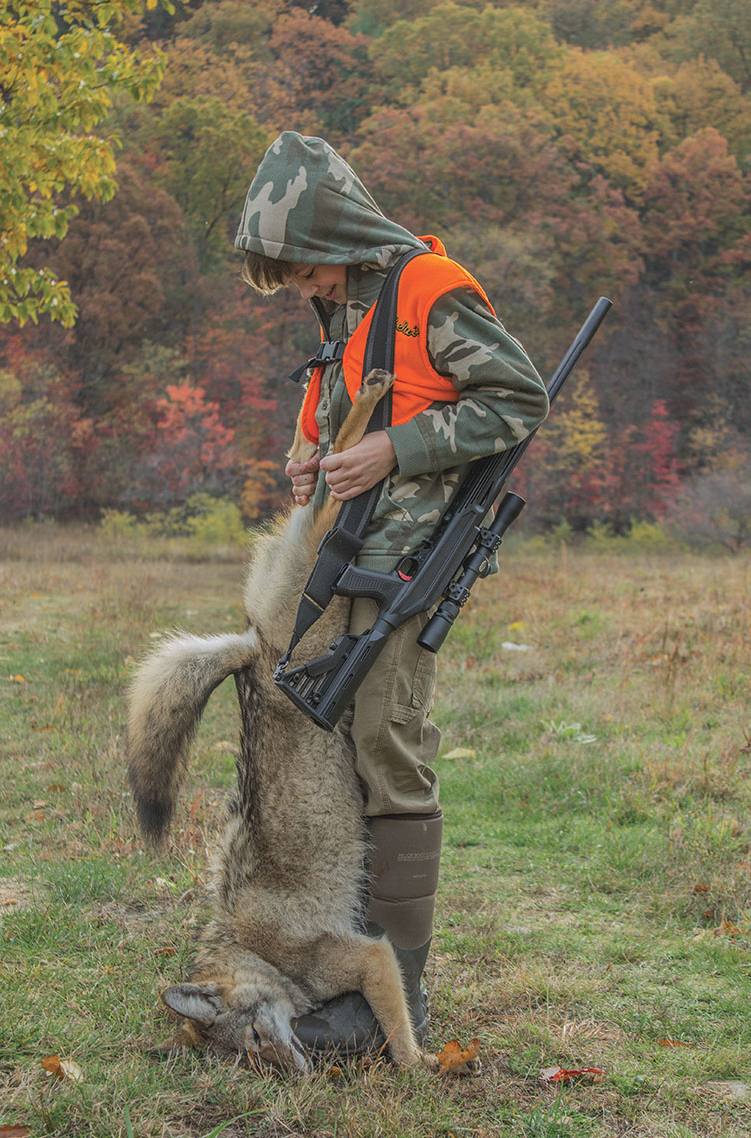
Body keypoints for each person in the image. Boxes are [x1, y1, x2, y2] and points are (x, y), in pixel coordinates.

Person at [235, 131, 549, 1054]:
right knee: (335, 751)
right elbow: (342, 414)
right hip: (345, 555)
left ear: (336, 235)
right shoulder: (348, 307)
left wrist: (393, 450)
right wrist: (309, 461)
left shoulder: (427, 290)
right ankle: (343, 967)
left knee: (387, 744)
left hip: (411, 561)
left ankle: (393, 1001)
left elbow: (517, 400)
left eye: (305, 270)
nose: (304, 288)